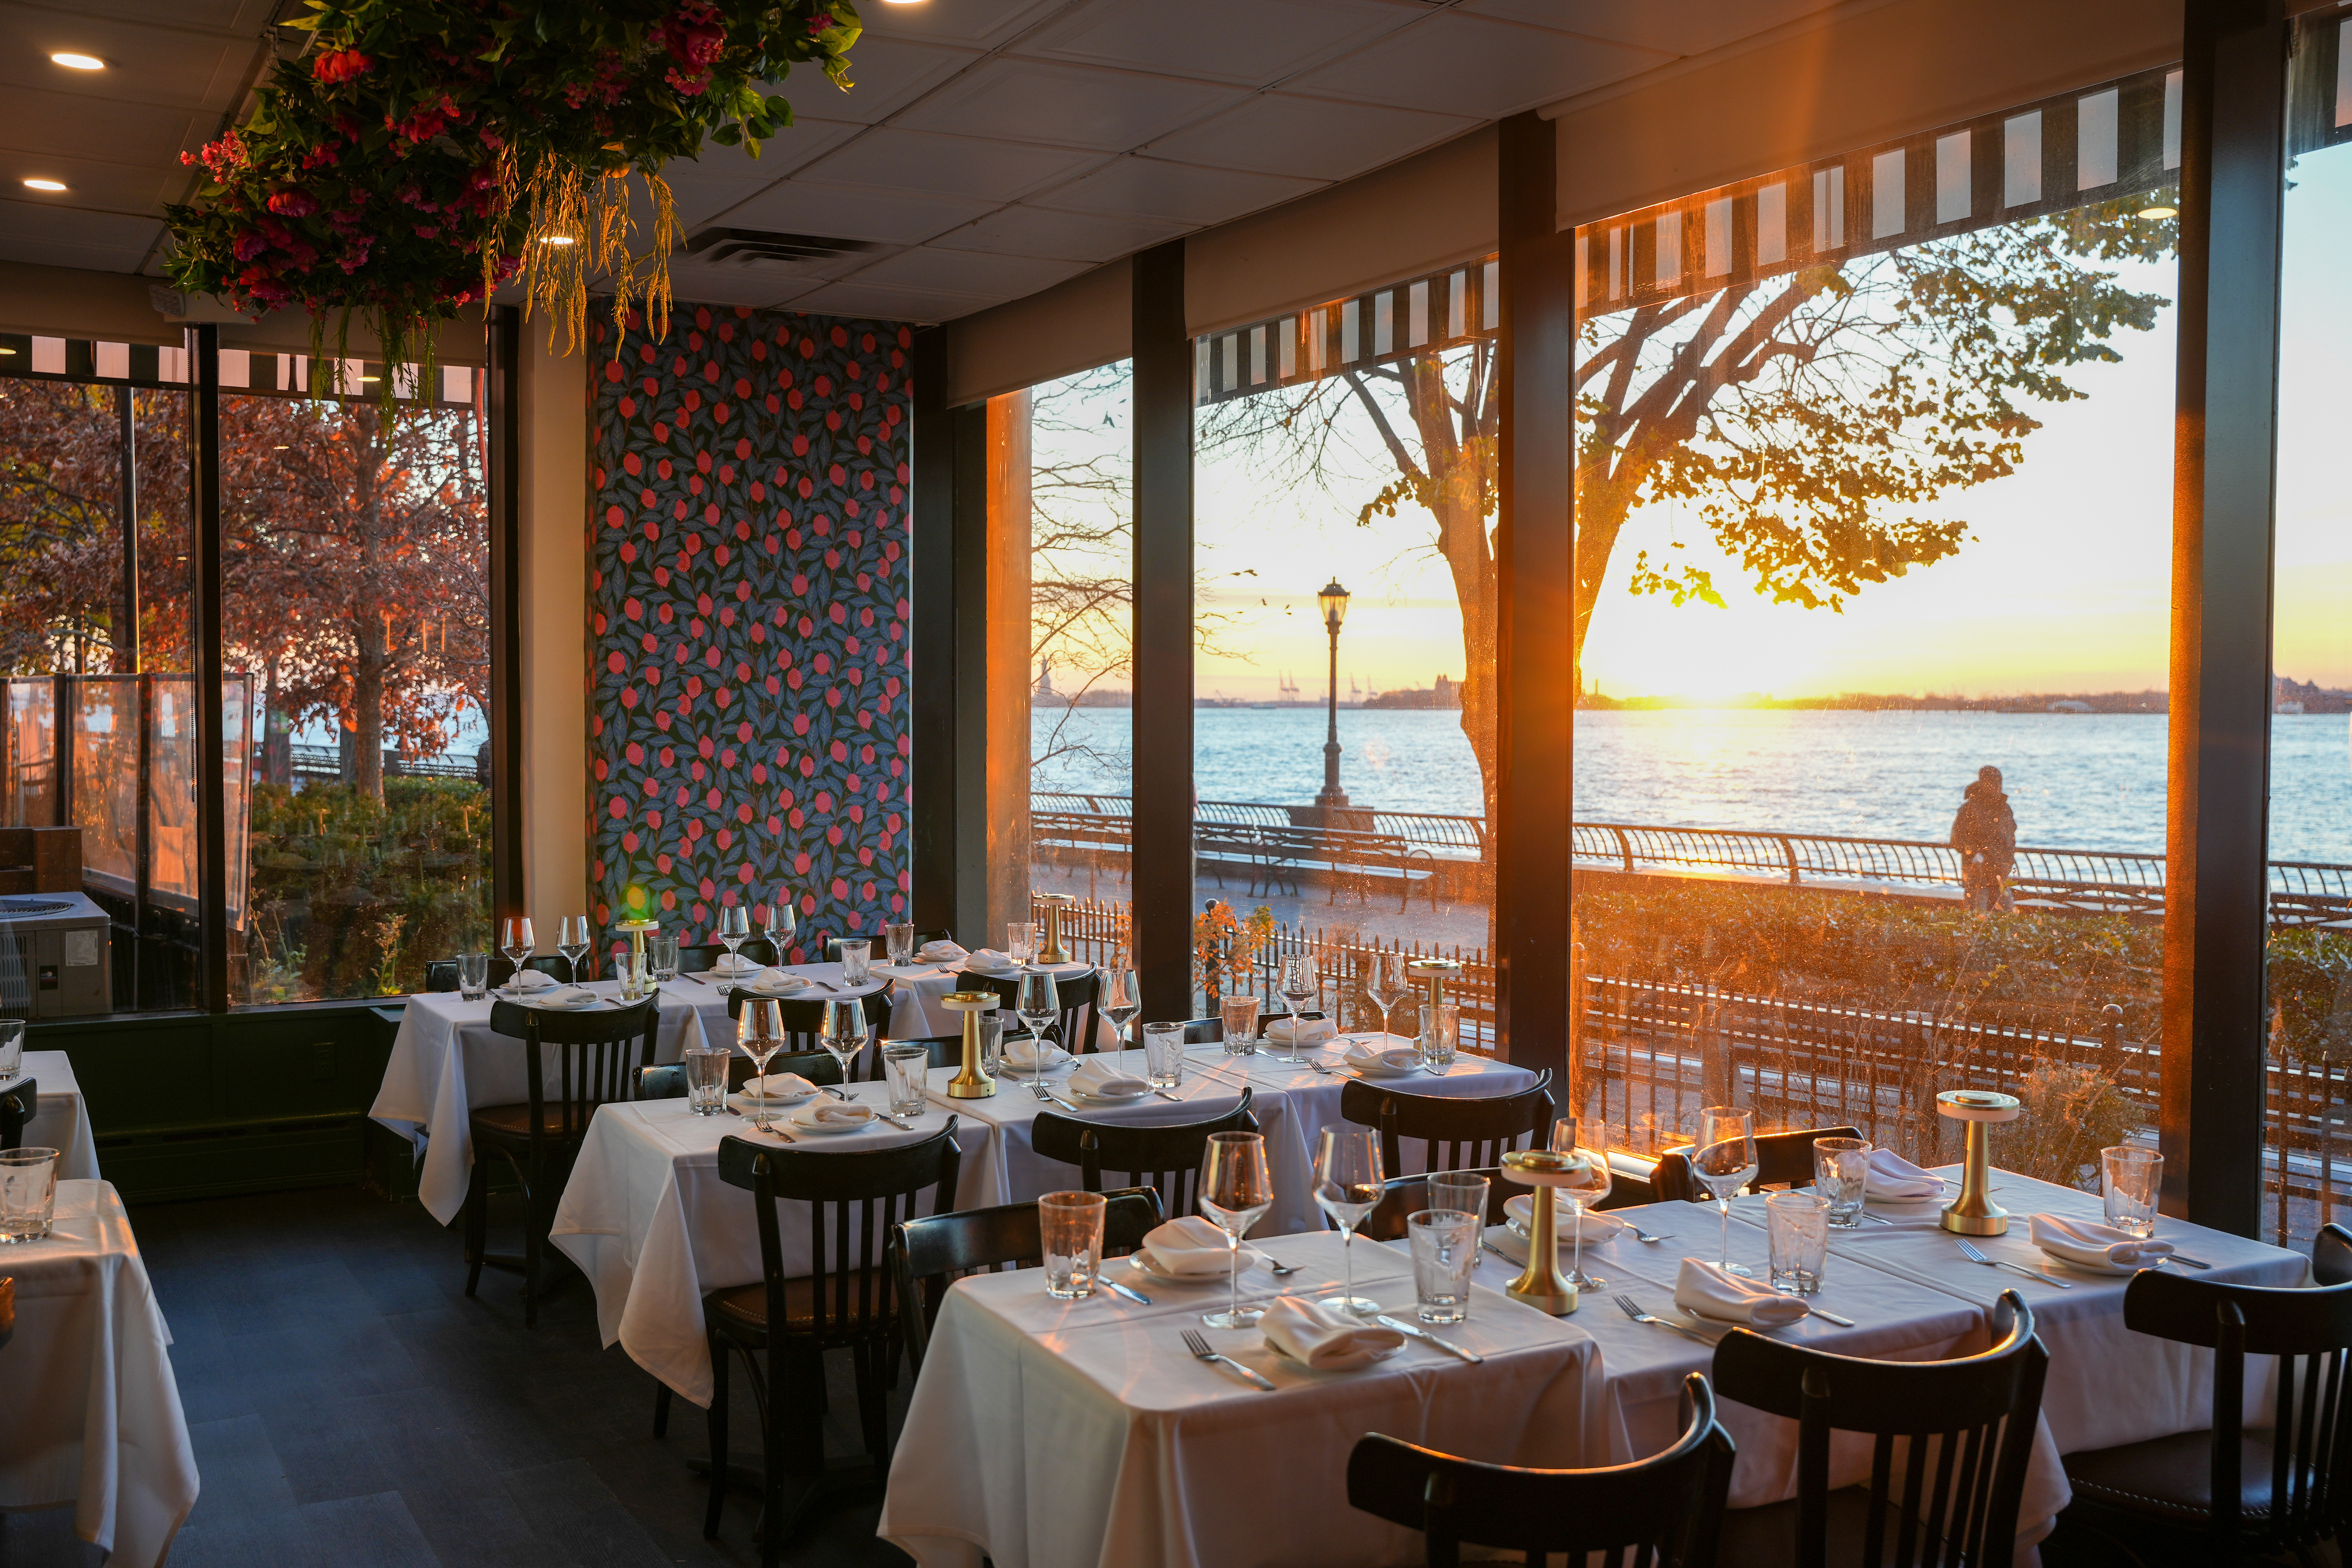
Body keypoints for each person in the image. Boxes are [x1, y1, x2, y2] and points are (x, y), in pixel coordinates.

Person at [1950, 765, 2017, 915]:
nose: (1997, 786)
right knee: (1978, 915)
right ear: (1983, 784)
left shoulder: (2005, 809)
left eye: (1999, 781)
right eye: (1992, 782)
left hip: (2001, 874)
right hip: (1978, 877)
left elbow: (2011, 838)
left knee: (2008, 917)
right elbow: (1957, 839)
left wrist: (2008, 860)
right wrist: (1976, 855)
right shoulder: (1969, 809)